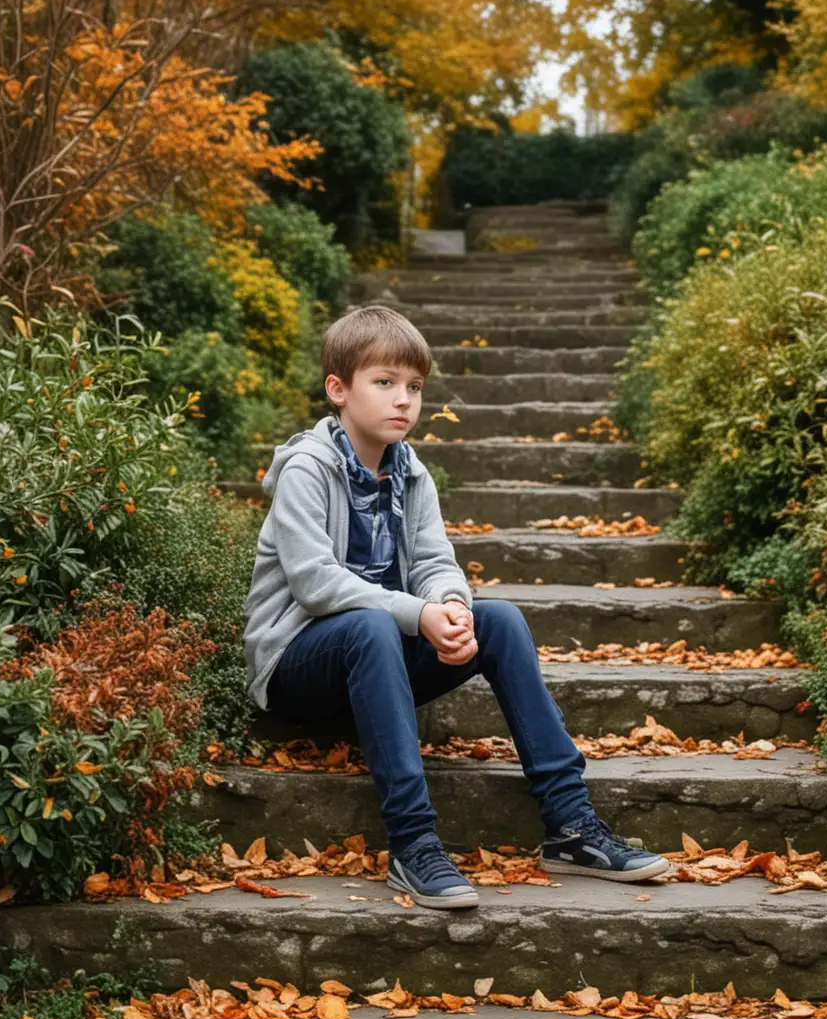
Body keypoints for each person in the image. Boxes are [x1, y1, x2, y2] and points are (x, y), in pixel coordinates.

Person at [241, 303, 671, 910]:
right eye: (384, 383)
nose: (403, 401)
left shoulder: (411, 473)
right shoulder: (307, 471)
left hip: (381, 658)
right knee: (367, 624)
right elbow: (316, 584)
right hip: (299, 664)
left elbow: (436, 561)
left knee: (500, 619)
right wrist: (416, 616)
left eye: (414, 387)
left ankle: (572, 825)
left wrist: (448, 606)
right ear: (338, 389)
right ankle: (414, 845)